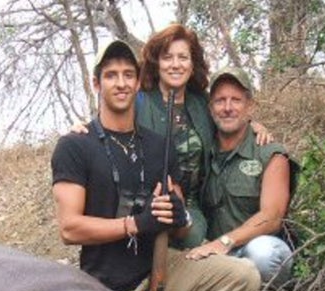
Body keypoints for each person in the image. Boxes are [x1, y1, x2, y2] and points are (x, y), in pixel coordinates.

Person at [52, 40, 260, 291]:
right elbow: (70, 229)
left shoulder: (158, 145)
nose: (121, 83)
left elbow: (180, 230)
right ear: (96, 84)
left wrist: (178, 215)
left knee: (242, 276)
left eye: (128, 74)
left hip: (163, 269)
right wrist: (136, 224)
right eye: (111, 75)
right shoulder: (75, 146)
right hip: (111, 288)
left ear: (138, 83)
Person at [71, 24, 272, 249]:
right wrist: (81, 128)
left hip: (193, 209)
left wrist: (254, 124)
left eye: (183, 57)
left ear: (192, 63)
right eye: (168, 57)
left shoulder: (200, 103)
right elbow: (108, 124)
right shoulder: (139, 100)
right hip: (147, 205)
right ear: (157, 63)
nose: (176, 64)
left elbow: (229, 114)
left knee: (195, 240)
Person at [186, 67, 300, 287]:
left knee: (265, 253)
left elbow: (272, 216)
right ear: (210, 109)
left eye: (236, 100)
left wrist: (225, 242)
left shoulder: (270, 154)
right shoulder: (201, 152)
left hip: (246, 250)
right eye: (220, 101)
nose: (227, 108)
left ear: (250, 106)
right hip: (212, 254)